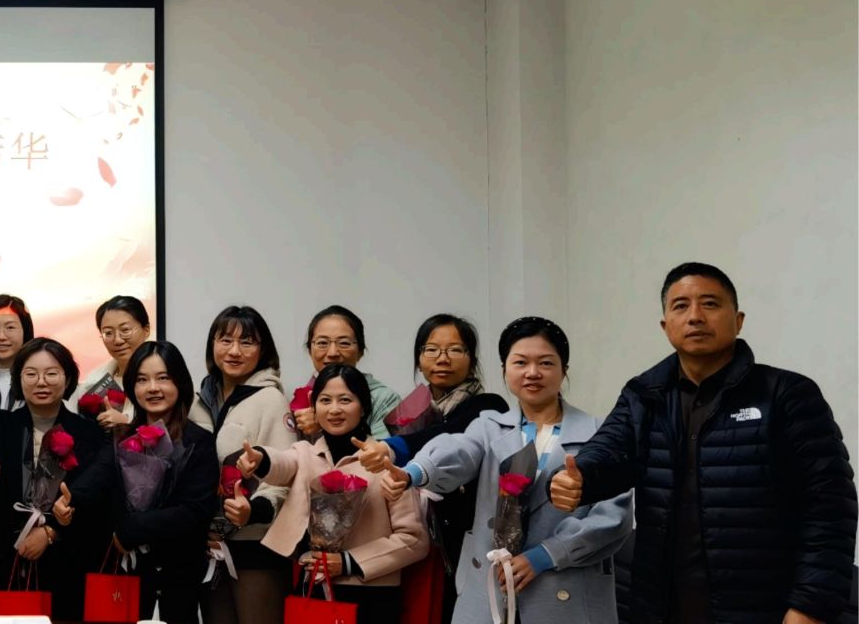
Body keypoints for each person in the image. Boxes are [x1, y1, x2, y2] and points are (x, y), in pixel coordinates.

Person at [549, 263, 856, 624]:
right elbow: (609, 451)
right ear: (666, 325)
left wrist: (810, 605)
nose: (695, 316)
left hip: (762, 607)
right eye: (680, 306)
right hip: (661, 608)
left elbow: (830, 504)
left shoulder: (786, 394)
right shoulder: (644, 395)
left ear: (738, 320)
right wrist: (578, 478)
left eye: (710, 303)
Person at [374, 316, 631, 624]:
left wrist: (546, 555)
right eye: (520, 362)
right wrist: (415, 472)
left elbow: (613, 516)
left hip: (566, 590)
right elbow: (459, 450)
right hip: (488, 592)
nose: (532, 372)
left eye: (546, 363)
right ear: (504, 370)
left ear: (564, 370)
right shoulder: (489, 426)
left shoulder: (599, 433)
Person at [234, 363, 429, 623]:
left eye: (345, 400)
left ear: (364, 407)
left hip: (372, 596)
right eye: (325, 400)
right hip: (314, 590)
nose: (334, 409)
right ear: (314, 408)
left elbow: (414, 540)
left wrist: (348, 562)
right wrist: (260, 458)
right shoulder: (305, 453)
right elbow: (283, 463)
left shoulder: (386, 463)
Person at [358, 314, 511, 623]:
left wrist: (393, 447)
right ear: (419, 357)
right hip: (419, 539)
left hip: (467, 538)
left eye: (455, 349)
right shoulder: (411, 411)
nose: (442, 359)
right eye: (431, 350)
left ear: (472, 358)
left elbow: (447, 434)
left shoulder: (488, 406)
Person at [0, 337, 118, 621]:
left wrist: (51, 532)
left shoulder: (89, 434)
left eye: (51, 373)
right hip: (4, 561)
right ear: (18, 379)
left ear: (68, 378)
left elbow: (94, 496)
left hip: (66, 565)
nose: (41, 382)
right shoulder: (1, 424)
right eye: (31, 374)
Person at [188, 305, 296, 624]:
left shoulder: (270, 399)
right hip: (209, 547)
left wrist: (253, 511)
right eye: (225, 340)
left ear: (263, 350)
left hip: (256, 544)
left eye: (246, 342)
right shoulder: (198, 400)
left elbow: (285, 474)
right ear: (212, 344)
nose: (234, 351)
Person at [112, 341, 217, 624]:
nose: (153, 388)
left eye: (163, 378)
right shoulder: (119, 439)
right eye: (142, 380)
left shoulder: (199, 442)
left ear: (180, 383)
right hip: (127, 578)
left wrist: (134, 528)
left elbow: (195, 511)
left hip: (180, 580)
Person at [292, 305, 403, 440]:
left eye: (344, 343)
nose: (333, 353)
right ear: (310, 350)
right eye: (322, 343)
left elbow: (384, 450)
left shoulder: (385, 399)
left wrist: (326, 424)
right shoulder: (304, 397)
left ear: (360, 351)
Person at [76, 295, 153, 433]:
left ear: (146, 330)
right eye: (108, 333)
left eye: (125, 330)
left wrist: (127, 424)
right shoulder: (93, 382)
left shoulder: (165, 377)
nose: (117, 340)